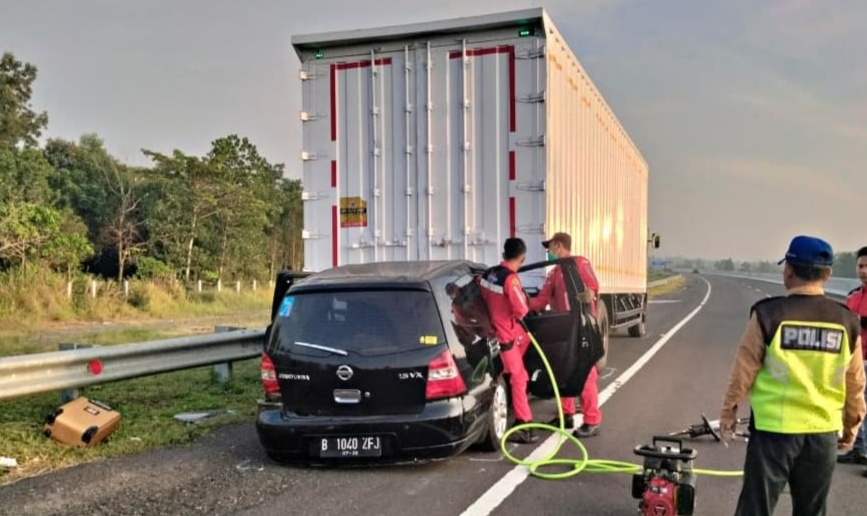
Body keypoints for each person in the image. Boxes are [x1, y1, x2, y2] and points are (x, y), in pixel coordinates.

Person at [720, 235, 866, 516]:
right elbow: (855, 383)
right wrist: (851, 427)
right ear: (829, 274)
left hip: (773, 434)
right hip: (822, 434)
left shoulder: (768, 314)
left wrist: (729, 412)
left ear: (788, 270)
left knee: (755, 508)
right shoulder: (847, 321)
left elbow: (743, 370)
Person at [528, 232, 602, 437]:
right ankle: (565, 415)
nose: (548, 252)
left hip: (582, 325)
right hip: (564, 327)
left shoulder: (578, 263)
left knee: (586, 373)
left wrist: (590, 294)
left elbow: (592, 285)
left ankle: (592, 420)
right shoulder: (553, 273)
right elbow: (541, 301)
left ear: (559, 245)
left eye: (550, 247)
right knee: (561, 371)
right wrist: (521, 301)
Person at [478, 237, 539, 444]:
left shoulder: (489, 274)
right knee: (519, 378)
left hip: (490, 334)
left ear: (504, 254)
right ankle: (523, 424)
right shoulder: (511, 280)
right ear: (522, 258)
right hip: (506, 337)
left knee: (507, 376)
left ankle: (514, 410)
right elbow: (522, 309)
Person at [838, 246, 867, 469]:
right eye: (860, 266)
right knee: (853, 403)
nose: (864, 270)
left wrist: (858, 320)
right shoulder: (853, 296)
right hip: (855, 359)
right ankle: (858, 449)